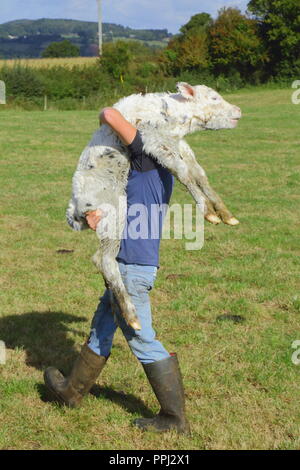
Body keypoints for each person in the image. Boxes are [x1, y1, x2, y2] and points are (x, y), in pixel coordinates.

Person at [44, 108, 190, 434]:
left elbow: (109, 113)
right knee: (102, 327)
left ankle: (174, 418)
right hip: (125, 267)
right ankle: (72, 390)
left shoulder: (147, 161)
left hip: (132, 271)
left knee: (142, 338)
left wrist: (107, 127)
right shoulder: (154, 171)